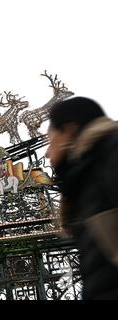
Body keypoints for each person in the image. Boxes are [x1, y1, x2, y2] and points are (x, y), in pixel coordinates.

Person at [45, 96, 118, 299]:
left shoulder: (110, 152)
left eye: (50, 141)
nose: (46, 153)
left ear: (68, 131)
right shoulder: (83, 179)